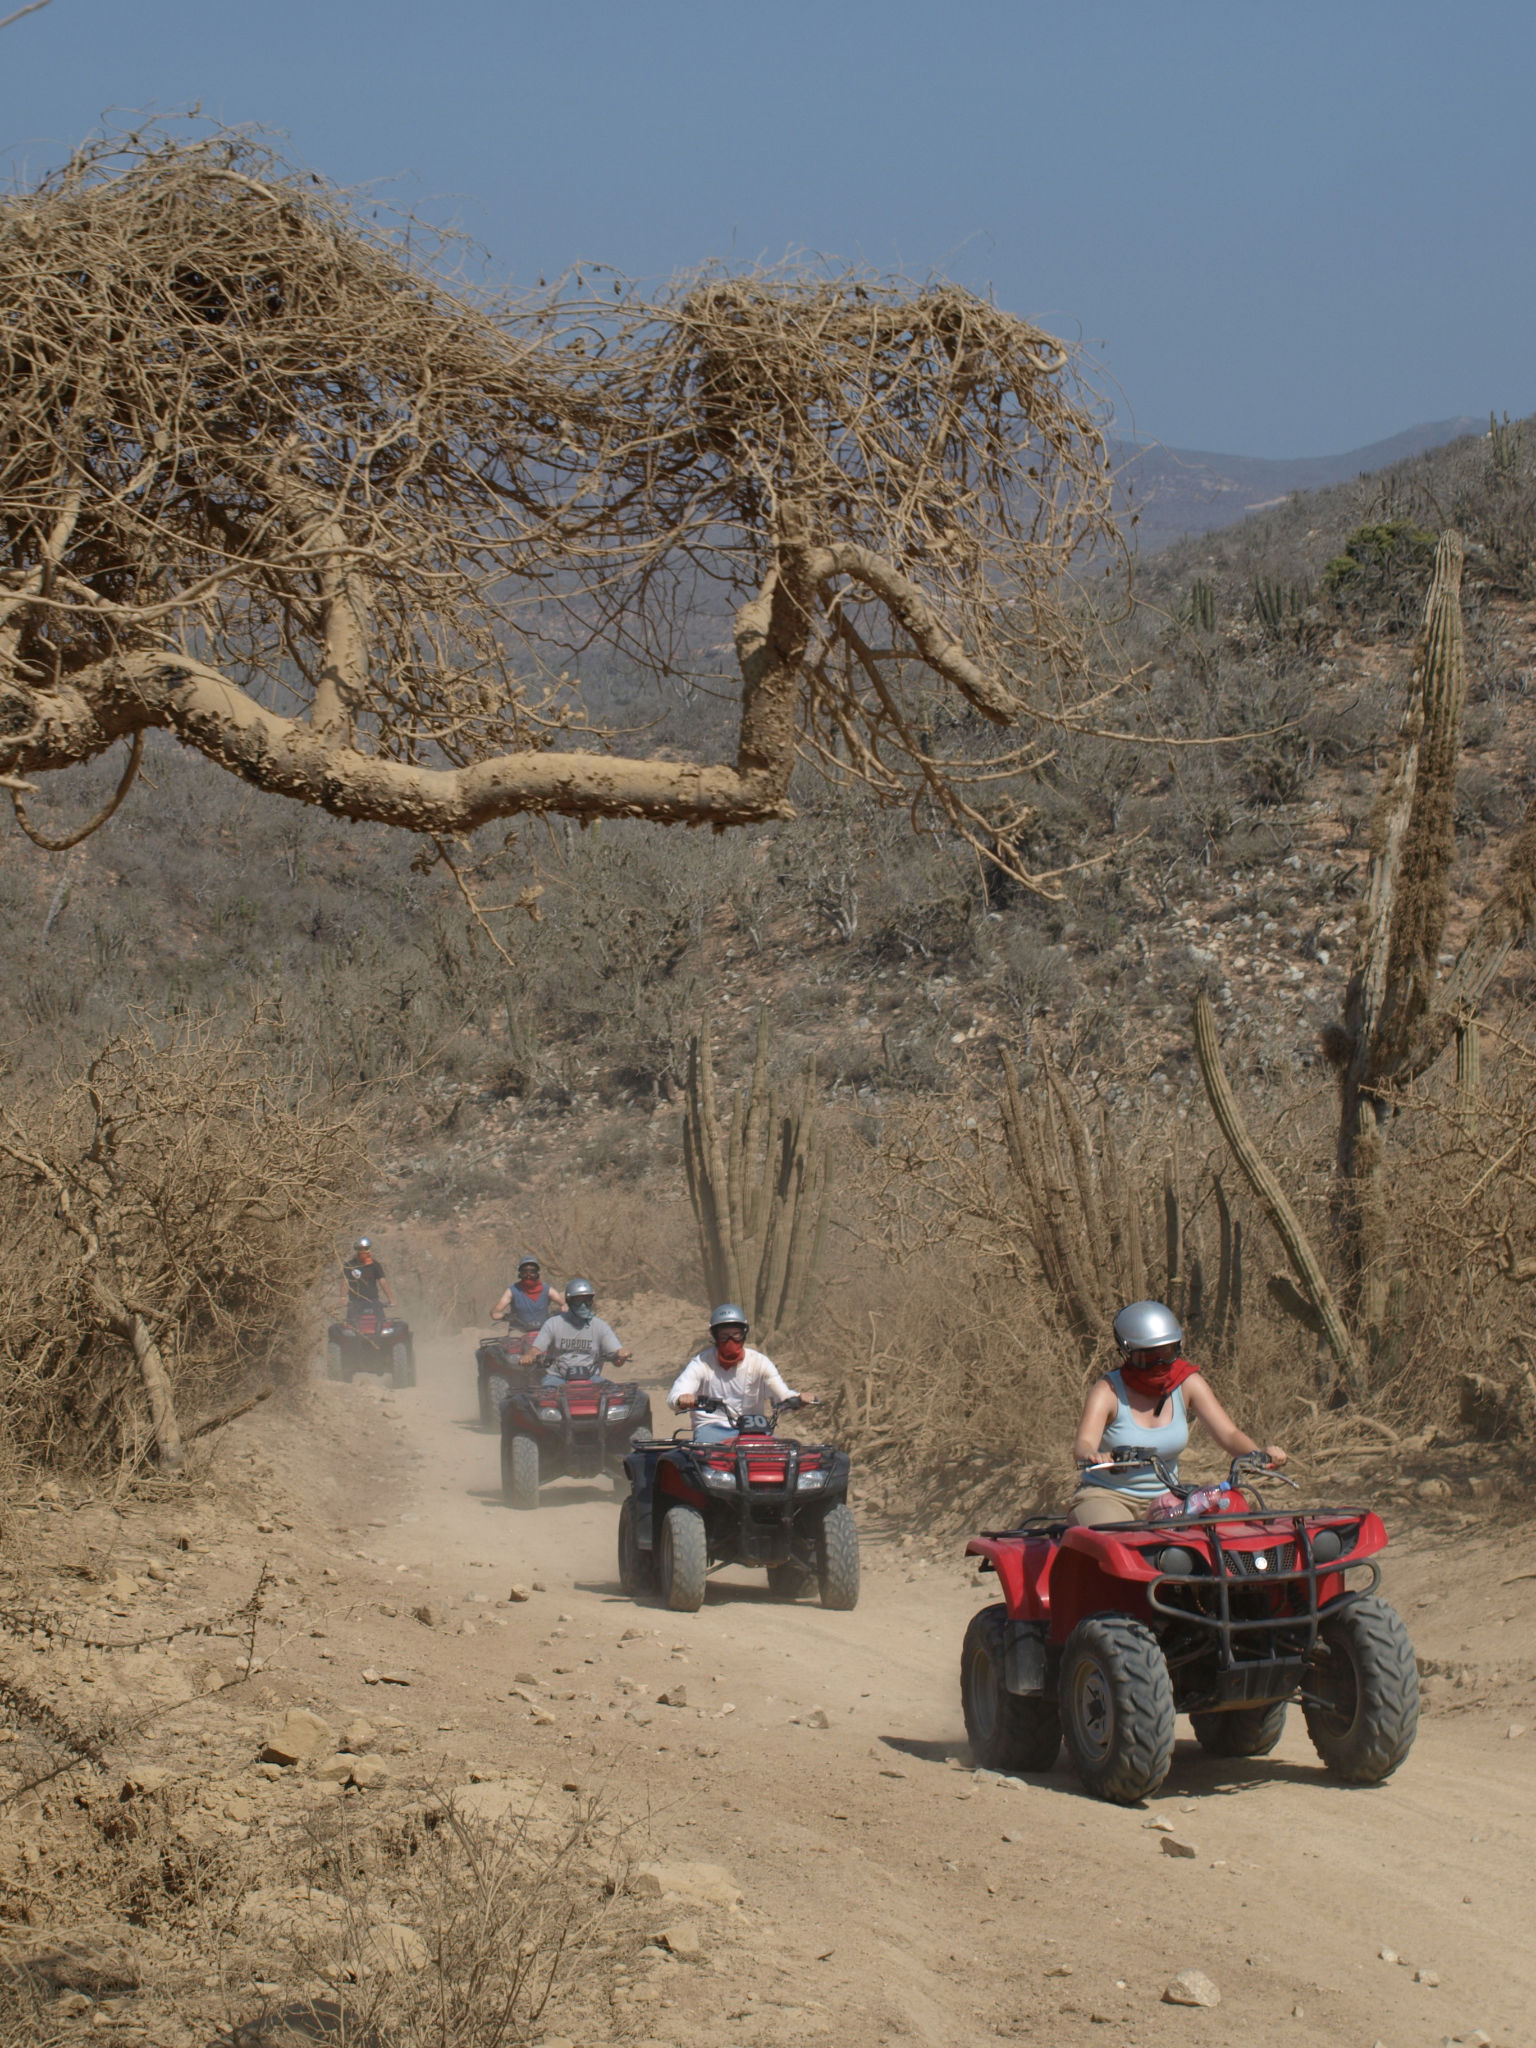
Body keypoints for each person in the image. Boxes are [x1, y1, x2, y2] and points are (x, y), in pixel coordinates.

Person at [1069, 1299, 1286, 1527]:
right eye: (1149, 1357)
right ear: (1128, 1353)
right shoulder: (1108, 1391)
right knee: (1121, 1540)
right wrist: (1093, 1455)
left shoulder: (1187, 1384)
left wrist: (1259, 1456)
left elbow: (1229, 1434)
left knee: (1215, 1533)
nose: (1160, 1363)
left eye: (1167, 1352)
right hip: (1108, 1496)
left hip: (1167, 1501)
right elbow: (1083, 1443)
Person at [668, 1305, 818, 1444]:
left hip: (753, 1428)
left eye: (736, 1335)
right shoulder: (701, 1363)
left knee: (778, 1458)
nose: (730, 1340)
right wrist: (683, 1398)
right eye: (724, 1336)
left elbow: (782, 1395)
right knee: (707, 1464)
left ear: (744, 1335)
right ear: (715, 1336)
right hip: (711, 1427)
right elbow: (675, 1396)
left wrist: (799, 1398)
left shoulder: (759, 1363)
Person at [528, 1278, 630, 1384]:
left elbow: (617, 1359)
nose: (583, 1305)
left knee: (617, 1395)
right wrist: (530, 1356)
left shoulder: (600, 1326)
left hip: (591, 1378)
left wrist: (622, 1354)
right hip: (558, 1379)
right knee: (544, 1397)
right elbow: (536, 1349)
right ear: (569, 1301)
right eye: (578, 1301)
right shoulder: (553, 1324)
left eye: (587, 1300)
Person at [492, 1256, 564, 1353]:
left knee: (558, 1350)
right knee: (514, 1354)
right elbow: (494, 1313)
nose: (528, 1275)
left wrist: (559, 1312)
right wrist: (505, 1316)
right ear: (520, 1274)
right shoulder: (512, 1290)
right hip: (518, 1331)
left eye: (532, 1271)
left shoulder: (547, 1290)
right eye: (525, 1272)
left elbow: (566, 1306)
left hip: (544, 1330)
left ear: (537, 1273)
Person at [343, 1238, 392, 1318]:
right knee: (351, 1324)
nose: (363, 1252)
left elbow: (383, 1282)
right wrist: (343, 1297)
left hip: (373, 1300)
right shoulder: (349, 1265)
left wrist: (390, 1298)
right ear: (356, 1250)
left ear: (369, 1249)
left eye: (365, 1249)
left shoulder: (375, 1265)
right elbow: (345, 1281)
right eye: (360, 1249)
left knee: (381, 1320)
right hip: (355, 1301)